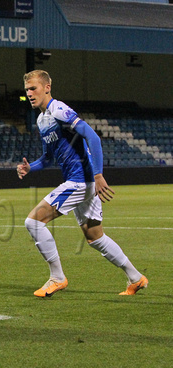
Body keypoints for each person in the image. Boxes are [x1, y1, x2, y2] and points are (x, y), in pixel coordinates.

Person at [16, 70, 148, 297]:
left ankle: (57, 278)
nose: (29, 93)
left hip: (81, 181)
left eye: (34, 88)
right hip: (82, 182)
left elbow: (92, 137)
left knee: (33, 222)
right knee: (95, 237)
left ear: (47, 87)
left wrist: (98, 175)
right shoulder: (42, 119)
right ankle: (136, 278)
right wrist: (31, 168)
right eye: (27, 89)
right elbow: (48, 158)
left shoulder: (59, 110)